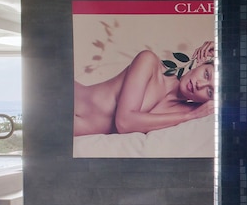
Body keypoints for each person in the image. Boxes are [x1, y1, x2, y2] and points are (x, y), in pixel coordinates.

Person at [74, 41, 214, 137]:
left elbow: (225, 110)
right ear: (201, 62)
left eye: (209, 91)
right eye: (206, 74)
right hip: (70, 98)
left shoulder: (187, 112)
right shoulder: (149, 62)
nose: (200, 85)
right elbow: (124, 122)